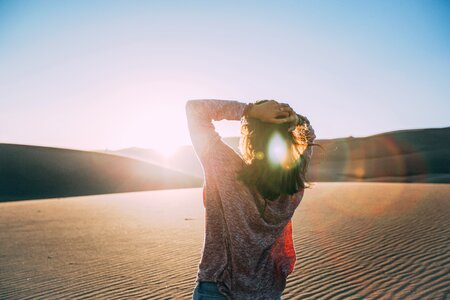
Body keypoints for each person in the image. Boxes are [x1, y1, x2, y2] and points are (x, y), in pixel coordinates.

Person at [185, 99, 317, 300]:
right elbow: (309, 136)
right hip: (267, 293)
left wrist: (250, 111)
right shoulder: (293, 188)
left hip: (219, 289)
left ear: (249, 136)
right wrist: (294, 117)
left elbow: (195, 109)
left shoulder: (225, 168)